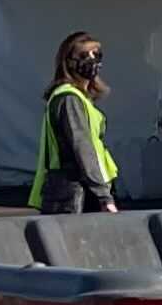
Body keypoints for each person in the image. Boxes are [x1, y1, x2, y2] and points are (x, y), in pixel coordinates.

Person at [31, 33, 121, 214]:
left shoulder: (79, 99)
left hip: (78, 191)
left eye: (96, 55)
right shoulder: (69, 99)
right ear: (68, 62)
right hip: (76, 195)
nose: (92, 60)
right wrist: (104, 196)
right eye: (83, 56)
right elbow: (82, 146)